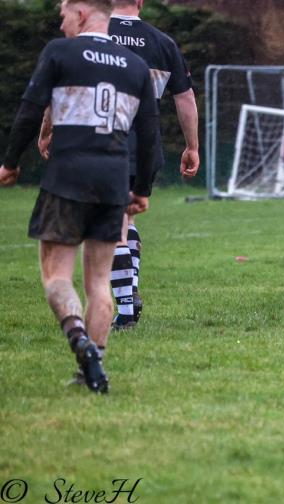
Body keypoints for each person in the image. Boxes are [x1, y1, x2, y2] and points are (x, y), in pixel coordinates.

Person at [0, 0, 158, 392]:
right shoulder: (136, 66)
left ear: (83, 14)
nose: (61, 23)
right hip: (113, 181)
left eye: (65, 15)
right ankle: (95, 368)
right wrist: (142, 190)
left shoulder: (59, 53)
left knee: (55, 276)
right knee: (100, 283)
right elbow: (152, 135)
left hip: (67, 177)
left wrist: (9, 163)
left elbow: (28, 109)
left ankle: (79, 340)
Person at [39, 0, 199, 330]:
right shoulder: (162, 42)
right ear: (140, 2)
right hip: (146, 144)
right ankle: (130, 291)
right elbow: (185, 97)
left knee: (114, 225)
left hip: (104, 143)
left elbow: (65, 86)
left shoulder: (95, 34)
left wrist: (48, 128)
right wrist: (192, 145)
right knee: (127, 216)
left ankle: (126, 307)